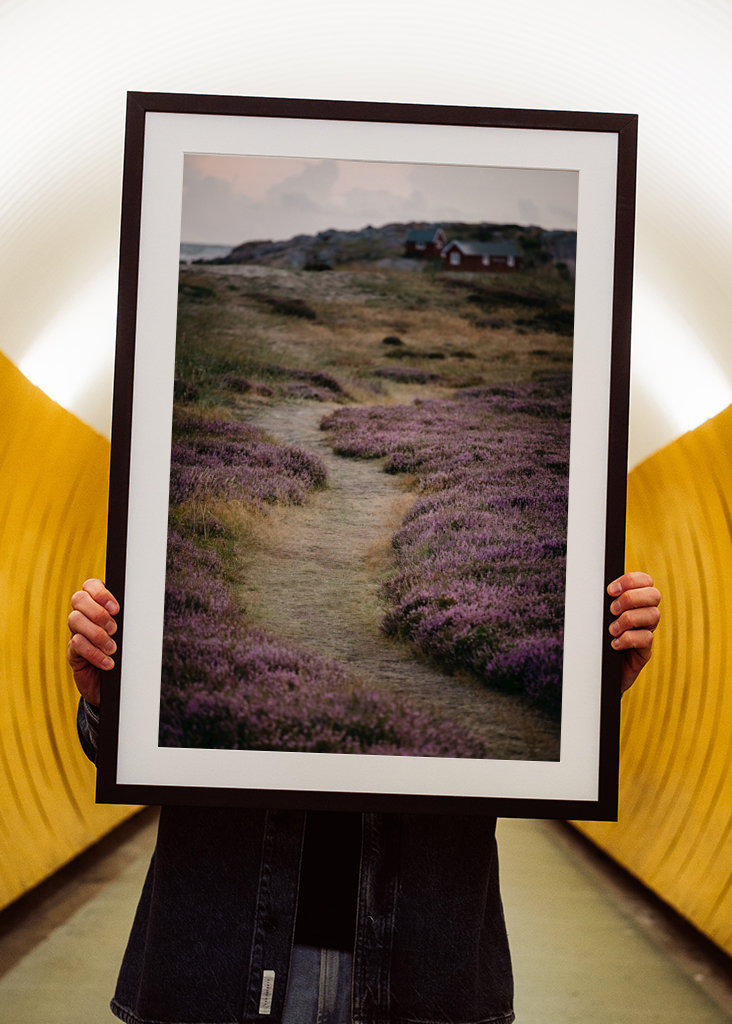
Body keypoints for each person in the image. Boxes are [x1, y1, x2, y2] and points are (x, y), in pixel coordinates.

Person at [68, 572, 661, 1024]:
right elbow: (124, 753)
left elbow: (541, 757)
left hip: (423, 968)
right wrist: (109, 703)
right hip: (219, 960)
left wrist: (585, 694)